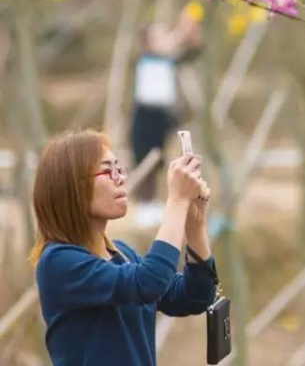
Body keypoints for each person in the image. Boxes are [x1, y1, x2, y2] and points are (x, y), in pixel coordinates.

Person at [29, 128, 216, 366]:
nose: (120, 178)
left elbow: (194, 297)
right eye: (108, 171)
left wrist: (195, 227)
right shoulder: (59, 262)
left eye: (119, 169)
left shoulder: (122, 254)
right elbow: (150, 281)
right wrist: (177, 201)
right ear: (71, 187)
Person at [130, 9, 202, 228]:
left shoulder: (165, 61)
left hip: (162, 115)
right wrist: (181, 29)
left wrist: (192, 35)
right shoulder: (148, 59)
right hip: (146, 115)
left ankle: (151, 204)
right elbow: (168, 48)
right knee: (146, 158)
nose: (164, 39)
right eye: (159, 36)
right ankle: (144, 205)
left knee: (159, 159)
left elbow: (190, 53)